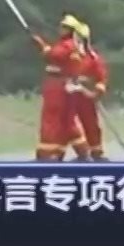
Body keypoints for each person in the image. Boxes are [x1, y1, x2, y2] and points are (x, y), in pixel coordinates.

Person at [32, 15, 85, 161]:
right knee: (67, 122)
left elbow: (54, 55)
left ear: (72, 30)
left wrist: (41, 44)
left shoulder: (68, 45)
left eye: (65, 27)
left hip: (58, 86)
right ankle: (81, 152)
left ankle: (46, 155)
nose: (60, 29)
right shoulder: (70, 44)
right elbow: (52, 57)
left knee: (51, 120)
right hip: (63, 86)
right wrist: (42, 47)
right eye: (61, 26)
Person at [70, 21, 110, 161]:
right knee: (69, 125)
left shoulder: (93, 59)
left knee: (91, 125)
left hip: (85, 97)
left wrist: (94, 93)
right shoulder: (69, 56)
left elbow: (101, 79)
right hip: (69, 97)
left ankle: (96, 154)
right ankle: (82, 153)